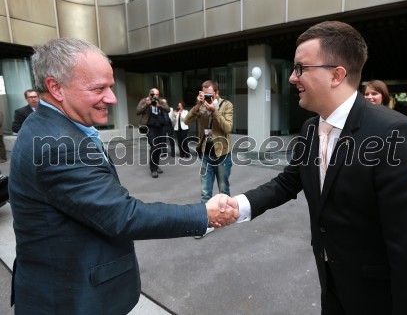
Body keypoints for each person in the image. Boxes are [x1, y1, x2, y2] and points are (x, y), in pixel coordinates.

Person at [224, 21, 407, 314]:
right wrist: (235, 206)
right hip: (332, 285)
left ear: (336, 75)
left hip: (380, 298)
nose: (292, 78)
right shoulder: (309, 129)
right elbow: (287, 183)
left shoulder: (396, 134)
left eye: (300, 68)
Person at [8, 37, 238, 315]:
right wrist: (204, 214)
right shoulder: (59, 144)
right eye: (99, 88)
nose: (112, 98)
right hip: (70, 299)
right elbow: (122, 215)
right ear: (55, 87)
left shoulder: (45, 124)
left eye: (111, 87)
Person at [185, 80, 234, 238]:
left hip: (222, 154)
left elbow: (227, 128)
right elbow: (186, 120)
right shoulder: (201, 106)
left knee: (223, 189)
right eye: (204, 95)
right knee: (205, 191)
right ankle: (204, 224)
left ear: (217, 93)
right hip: (206, 152)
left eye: (210, 95)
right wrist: (197, 106)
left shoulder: (227, 105)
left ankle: (225, 216)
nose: (207, 98)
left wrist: (214, 111)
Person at [136, 88, 170, 178]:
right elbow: (138, 111)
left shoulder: (161, 101)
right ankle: (153, 169)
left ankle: (156, 165)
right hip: (150, 128)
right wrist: (146, 105)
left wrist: (159, 106)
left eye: (157, 94)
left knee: (159, 148)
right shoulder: (144, 101)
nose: (155, 96)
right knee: (154, 147)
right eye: (153, 94)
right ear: (150, 94)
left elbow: (168, 109)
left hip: (160, 127)